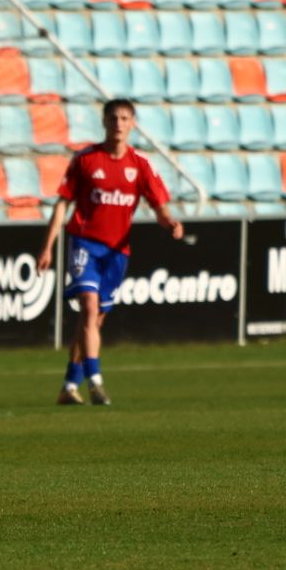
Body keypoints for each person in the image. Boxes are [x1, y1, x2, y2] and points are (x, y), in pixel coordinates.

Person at [36, 98, 182, 406]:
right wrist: (48, 246)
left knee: (93, 321)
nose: (118, 123)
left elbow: (160, 207)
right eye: (113, 118)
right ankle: (97, 383)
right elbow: (63, 202)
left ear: (132, 124)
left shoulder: (140, 165)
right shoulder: (86, 160)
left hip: (118, 251)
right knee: (89, 309)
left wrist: (170, 224)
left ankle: (69, 385)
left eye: (124, 118)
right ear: (104, 122)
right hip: (84, 243)